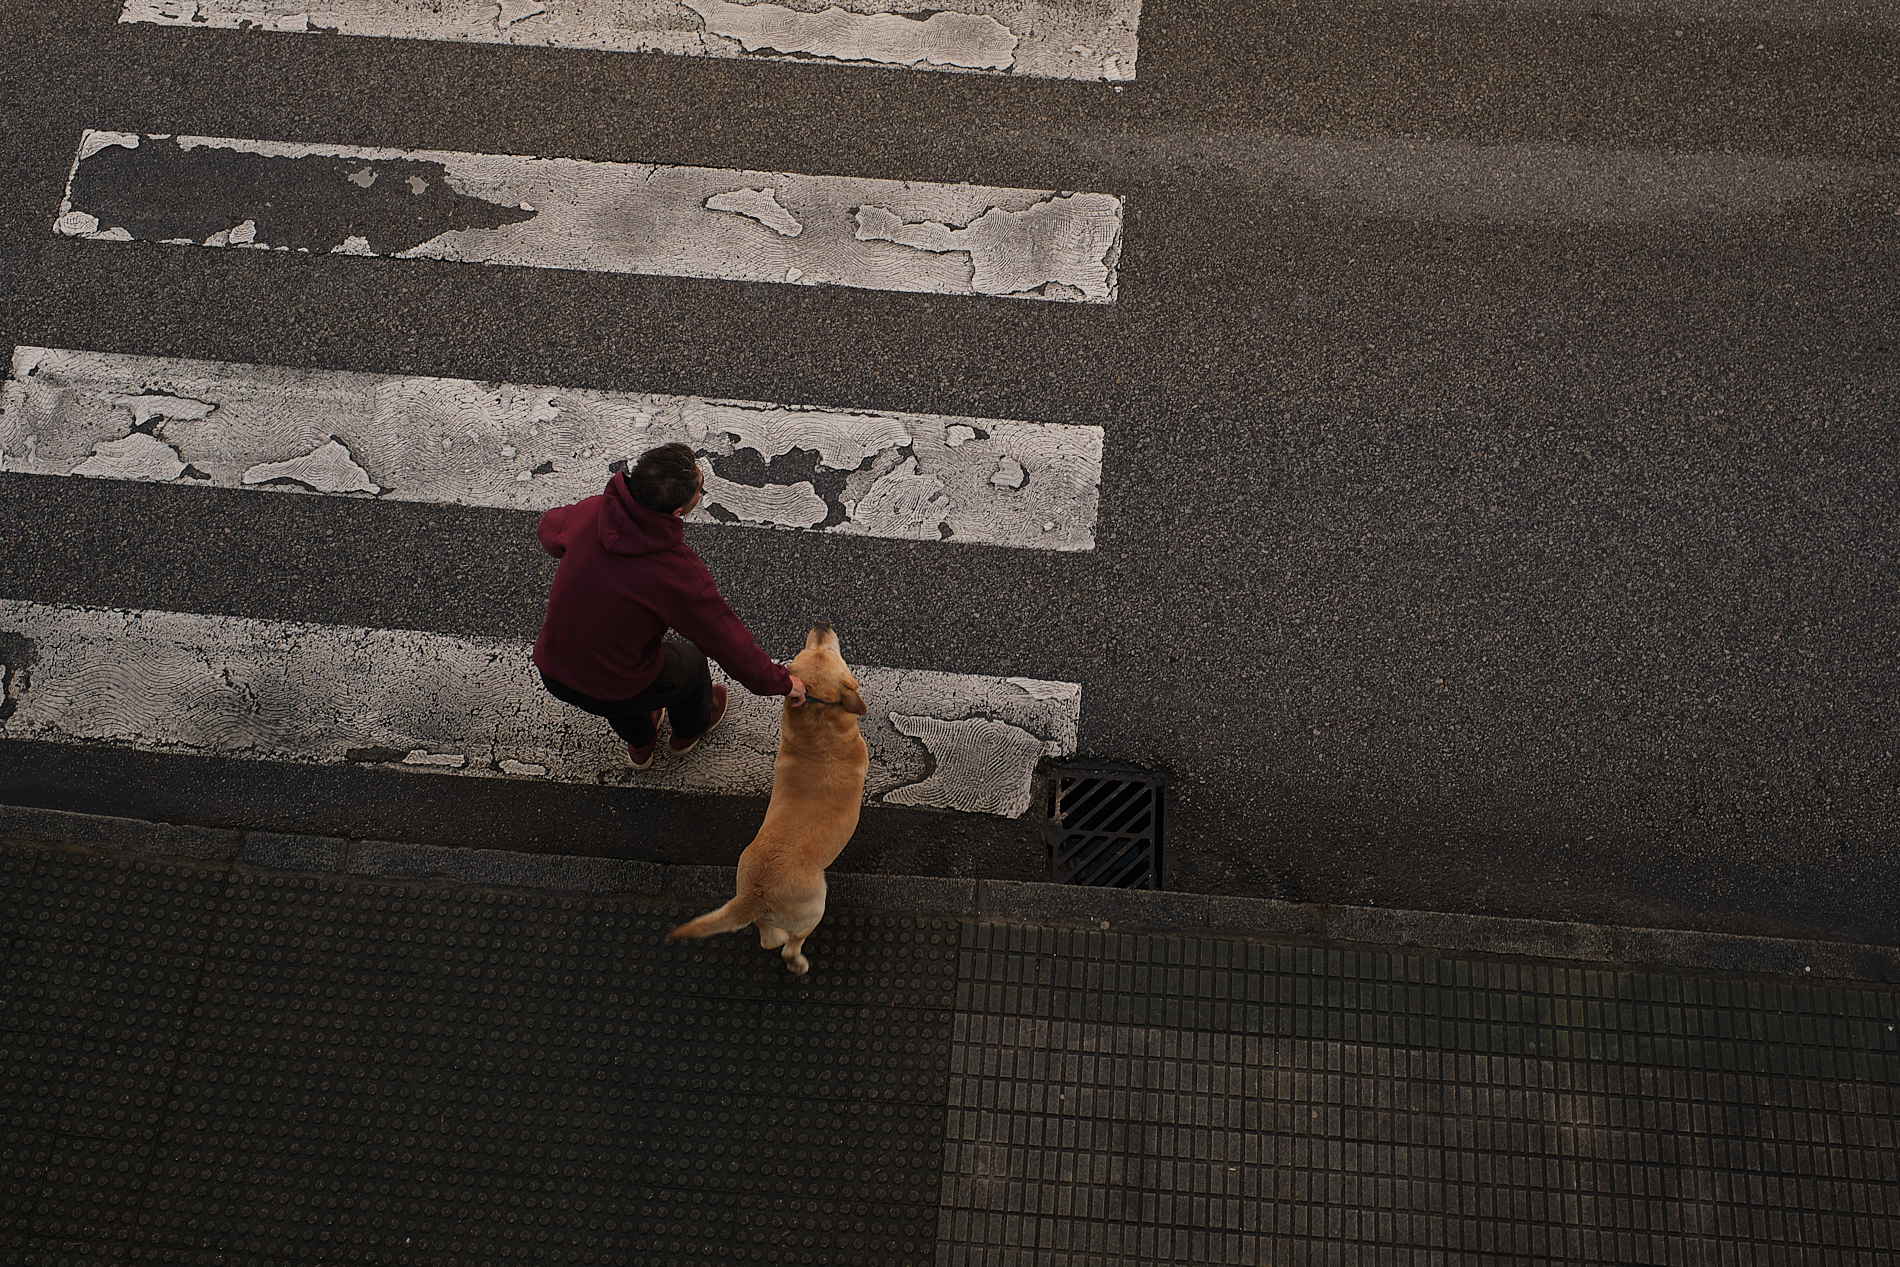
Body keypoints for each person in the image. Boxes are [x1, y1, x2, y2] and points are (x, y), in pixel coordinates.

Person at [532, 442, 807, 770]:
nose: (701, 491)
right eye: (700, 490)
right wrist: (783, 682)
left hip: (553, 668)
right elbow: (730, 644)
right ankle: (690, 730)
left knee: (614, 694)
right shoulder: (676, 573)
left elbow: (549, 529)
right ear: (676, 512)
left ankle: (641, 741)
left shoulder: (591, 512)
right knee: (690, 664)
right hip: (616, 685)